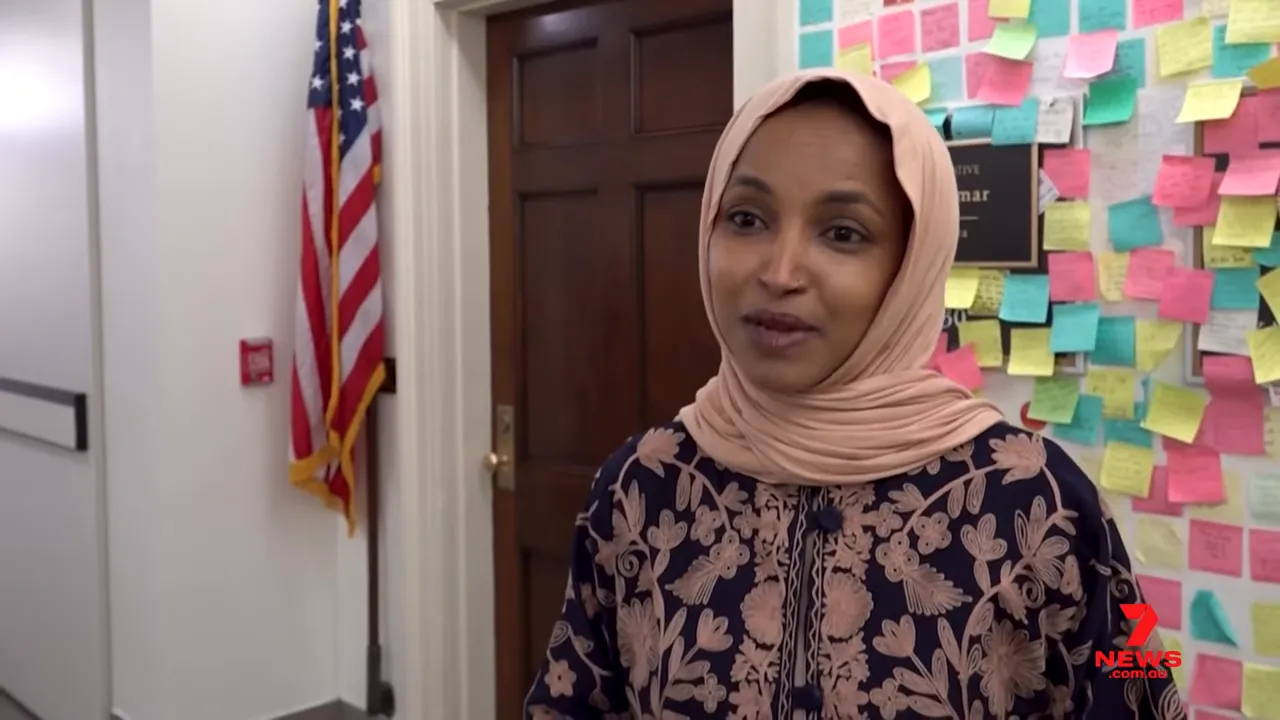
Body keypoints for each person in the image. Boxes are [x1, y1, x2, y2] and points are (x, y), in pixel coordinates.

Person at [523, 68, 1181, 719]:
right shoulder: (638, 488)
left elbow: (1142, 693)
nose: (778, 273)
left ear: (911, 265)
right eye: (747, 218)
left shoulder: (1042, 501)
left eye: (843, 233)